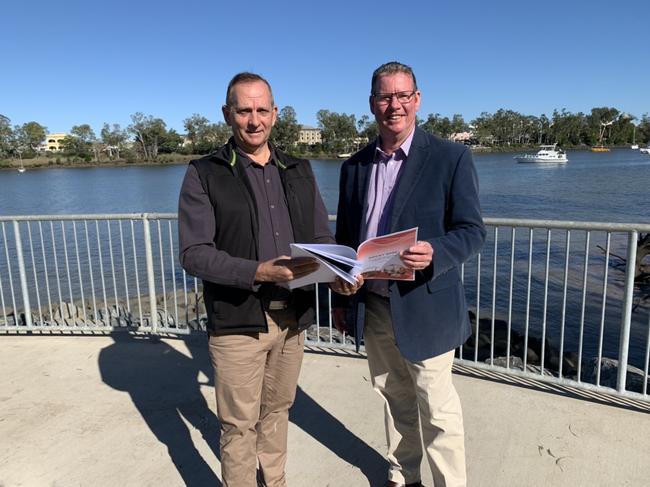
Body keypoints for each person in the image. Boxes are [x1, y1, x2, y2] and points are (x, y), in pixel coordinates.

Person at [332, 62, 486, 487]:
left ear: (417, 99)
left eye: (402, 96)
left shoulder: (450, 157)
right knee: (394, 398)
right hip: (375, 306)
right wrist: (344, 299)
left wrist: (436, 251)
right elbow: (347, 239)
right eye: (384, 97)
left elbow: (472, 231)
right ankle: (404, 476)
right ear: (371, 104)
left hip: (427, 307)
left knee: (437, 409)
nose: (393, 105)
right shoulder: (355, 166)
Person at [178, 72, 333, 487]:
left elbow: (320, 238)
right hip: (238, 322)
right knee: (238, 426)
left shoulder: (298, 168)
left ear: (275, 114)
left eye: (262, 109)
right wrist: (256, 272)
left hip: (293, 318)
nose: (253, 120)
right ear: (227, 114)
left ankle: (276, 481)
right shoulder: (204, 173)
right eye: (243, 110)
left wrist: (339, 272)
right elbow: (194, 254)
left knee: (278, 411)